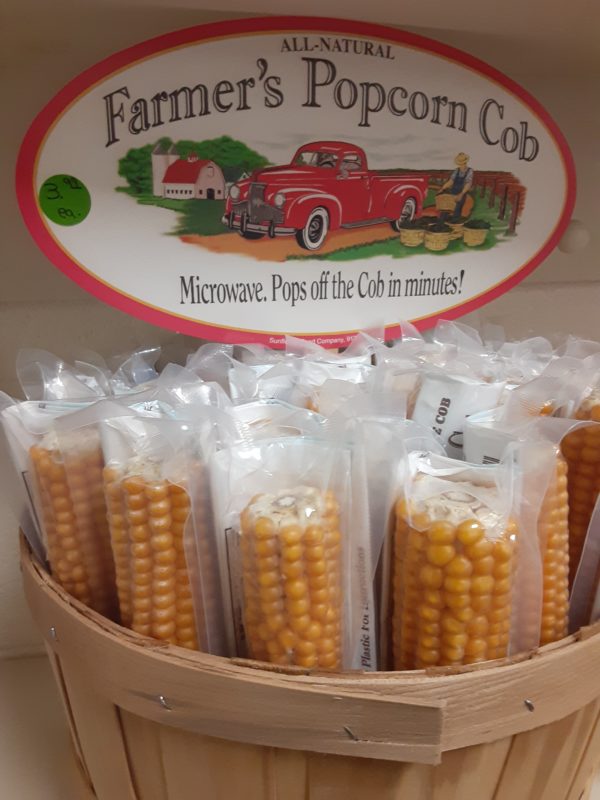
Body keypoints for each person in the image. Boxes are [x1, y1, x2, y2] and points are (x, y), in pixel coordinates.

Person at [438, 153, 474, 221]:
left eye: (462, 163)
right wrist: (443, 188)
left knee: (457, 209)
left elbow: (468, 184)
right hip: (453, 191)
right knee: (446, 207)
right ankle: (442, 222)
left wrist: (461, 194)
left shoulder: (470, 171)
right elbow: (451, 181)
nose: (461, 165)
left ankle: (455, 225)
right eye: (460, 163)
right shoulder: (456, 170)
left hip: (462, 192)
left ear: (465, 162)